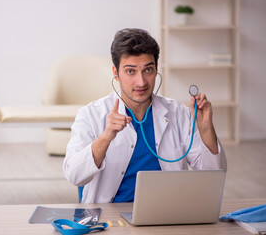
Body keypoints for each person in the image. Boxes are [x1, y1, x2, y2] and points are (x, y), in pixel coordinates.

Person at [63, 28, 227, 204]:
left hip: (167, 213)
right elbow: (75, 175)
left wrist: (206, 129)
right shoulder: (91, 115)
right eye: (130, 71)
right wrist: (105, 137)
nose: (141, 82)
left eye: (148, 70)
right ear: (115, 73)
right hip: (110, 217)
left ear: (156, 69)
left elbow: (213, 176)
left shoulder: (179, 113)